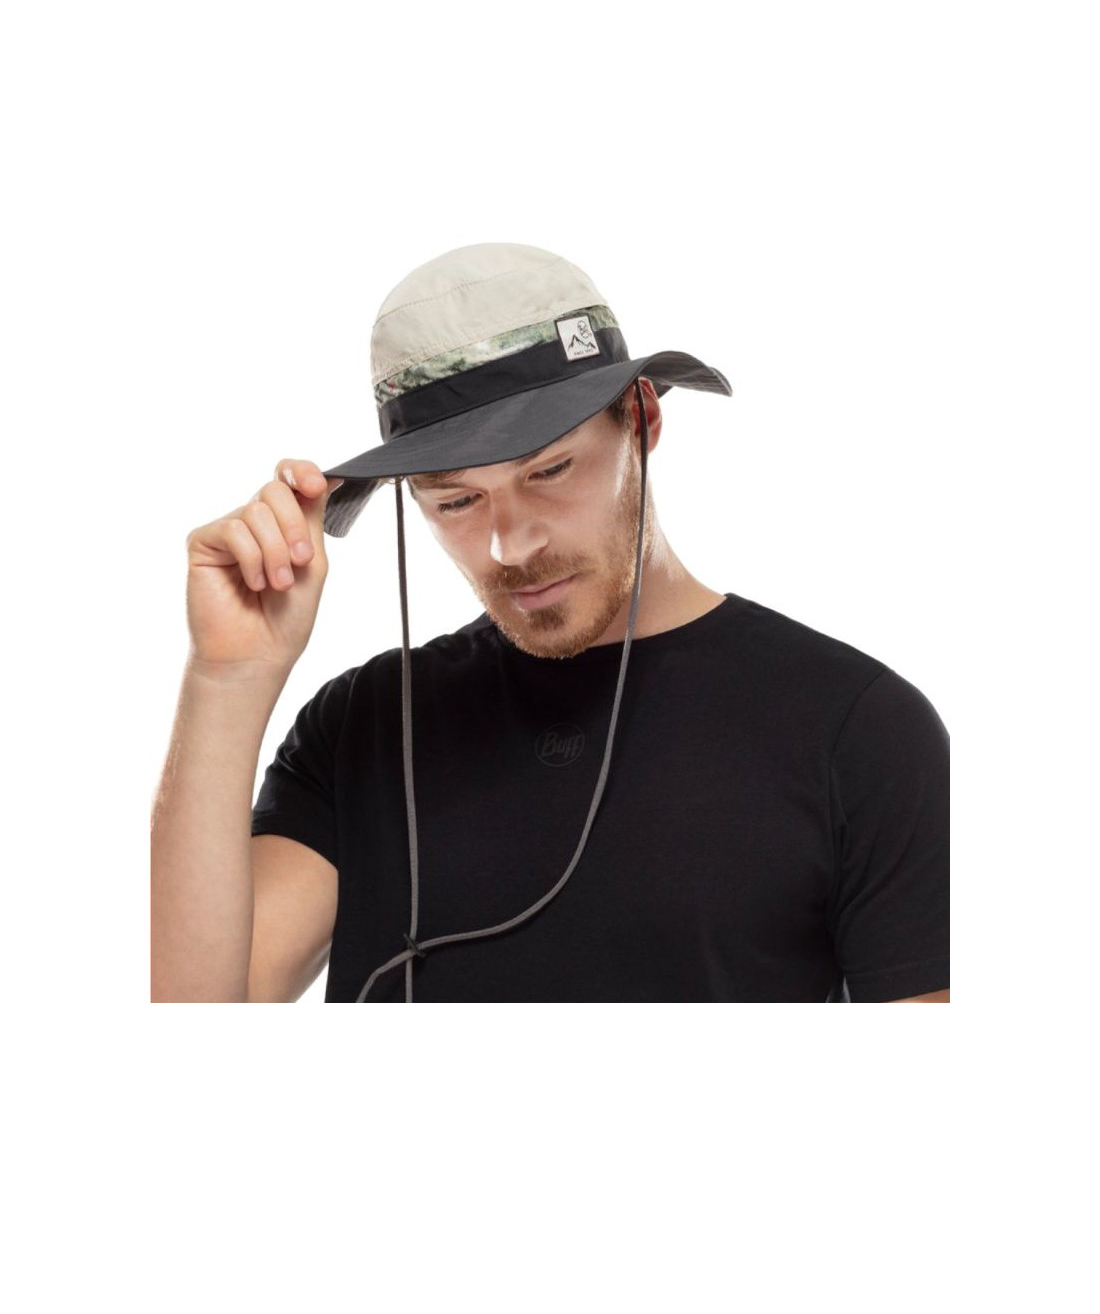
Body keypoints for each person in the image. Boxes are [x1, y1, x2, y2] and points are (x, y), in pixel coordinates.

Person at [151, 242, 950, 1003]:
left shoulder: (858, 732)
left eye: (550, 470)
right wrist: (227, 677)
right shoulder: (362, 725)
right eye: (456, 501)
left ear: (641, 419)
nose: (511, 544)